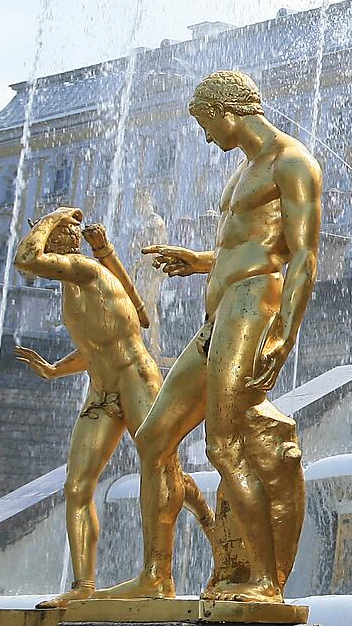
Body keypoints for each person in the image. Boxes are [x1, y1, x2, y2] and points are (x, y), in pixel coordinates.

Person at [99, 70, 320, 603]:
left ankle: (265, 581)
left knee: (224, 445)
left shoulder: (293, 162)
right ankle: (156, 576)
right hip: (220, 314)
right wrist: (198, 261)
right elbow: (246, 245)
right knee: (152, 439)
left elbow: (303, 255)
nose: (206, 137)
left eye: (205, 124)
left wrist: (285, 333)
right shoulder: (244, 171)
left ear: (228, 111)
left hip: (252, 309)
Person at [12, 208, 227, 608]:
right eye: (61, 234)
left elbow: (25, 259)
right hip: (102, 390)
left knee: (161, 465)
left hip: (136, 381)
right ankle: (82, 586)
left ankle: (201, 529)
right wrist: (57, 369)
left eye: (65, 235)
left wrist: (56, 215)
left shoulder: (85, 270)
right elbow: (99, 345)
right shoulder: (74, 282)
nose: (65, 239)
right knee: (77, 485)